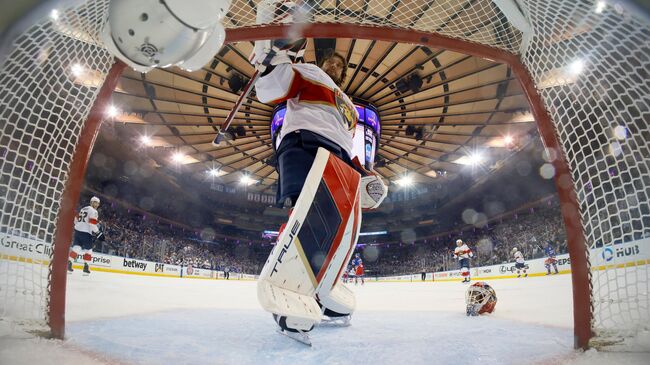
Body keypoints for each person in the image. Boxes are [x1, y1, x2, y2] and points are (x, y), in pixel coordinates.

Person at [251, 6, 387, 344]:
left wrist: (361, 171)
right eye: (333, 62)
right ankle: (292, 290)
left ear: (344, 72)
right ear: (324, 63)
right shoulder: (309, 72)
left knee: (339, 227)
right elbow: (270, 87)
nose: (335, 66)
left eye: (341, 65)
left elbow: (346, 140)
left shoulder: (351, 109)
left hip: (340, 158)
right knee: (306, 214)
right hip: (305, 143)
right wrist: (269, 58)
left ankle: (321, 287)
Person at [68, 197, 100, 275]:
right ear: (91, 202)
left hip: (78, 231)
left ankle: (69, 264)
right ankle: (86, 268)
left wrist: (80, 225)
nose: (96, 204)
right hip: (86, 233)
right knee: (88, 251)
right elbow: (92, 224)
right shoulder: (94, 211)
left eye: (97, 203)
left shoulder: (82, 209)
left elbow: (75, 220)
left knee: (76, 248)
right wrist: (98, 232)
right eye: (95, 202)